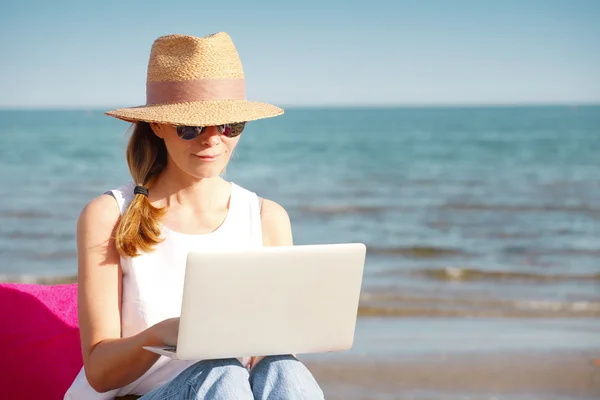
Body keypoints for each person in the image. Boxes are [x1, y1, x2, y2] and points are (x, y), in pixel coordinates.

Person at [65, 32, 324, 400]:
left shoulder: (267, 217)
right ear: (157, 126)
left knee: (285, 369)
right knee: (220, 375)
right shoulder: (108, 215)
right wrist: (164, 334)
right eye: (192, 127)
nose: (212, 140)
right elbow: (100, 373)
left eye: (229, 125)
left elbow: (272, 366)